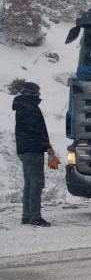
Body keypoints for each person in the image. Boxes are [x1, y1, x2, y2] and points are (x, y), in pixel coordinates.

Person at [12, 81, 58, 226]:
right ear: (32, 93)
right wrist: (48, 148)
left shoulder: (21, 107)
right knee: (37, 183)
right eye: (37, 91)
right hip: (33, 150)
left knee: (29, 183)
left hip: (24, 149)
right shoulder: (30, 108)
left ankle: (26, 215)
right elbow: (37, 130)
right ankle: (35, 217)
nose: (39, 94)